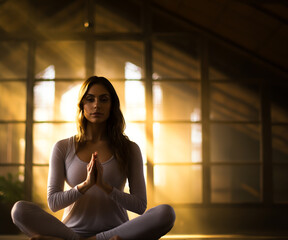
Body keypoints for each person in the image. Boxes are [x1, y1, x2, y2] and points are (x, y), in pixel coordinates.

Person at [11, 76, 176, 240]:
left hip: (116, 232)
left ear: (112, 106)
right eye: (90, 99)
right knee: (19, 210)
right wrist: (86, 185)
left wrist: (105, 186)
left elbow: (140, 206)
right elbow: (54, 203)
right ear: (82, 105)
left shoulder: (130, 148)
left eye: (104, 99)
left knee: (166, 213)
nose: (96, 105)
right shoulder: (63, 147)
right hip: (72, 231)